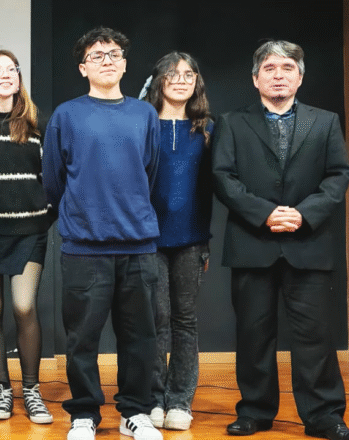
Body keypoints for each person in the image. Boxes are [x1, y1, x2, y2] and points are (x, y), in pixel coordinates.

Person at [212, 40, 349, 440]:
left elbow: (338, 175)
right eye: (269, 68)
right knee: (252, 335)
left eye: (287, 68)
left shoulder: (326, 121)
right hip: (252, 243)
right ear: (255, 78)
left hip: (308, 243)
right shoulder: (232, 122)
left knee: (316, 337)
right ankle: (255, 412)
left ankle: (324, 416)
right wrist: (265, 213)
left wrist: (304, 213)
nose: (278, 75)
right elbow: (223, 178)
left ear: (300, 76)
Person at [43, 26, 163, 440]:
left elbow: (151, 172)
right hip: (83, 246)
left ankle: (136, 412)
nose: (107, 60)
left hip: (138, 245)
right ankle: (84, 414)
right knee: (82, 339)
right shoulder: (66, 115)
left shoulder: (145, 114)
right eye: (97, 55)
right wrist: (83, 214)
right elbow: (54, 180)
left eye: (114, 54)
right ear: (82, 68)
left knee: (140, 337)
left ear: (125, 64)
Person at [0, 49, 54, 425]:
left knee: (22, 307)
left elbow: (55, 178)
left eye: (12, 69)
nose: (6, 74)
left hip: (29, 232)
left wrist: (44, 217)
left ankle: (31, 390)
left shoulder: (37, 123)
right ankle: (3, 390)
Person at [141, 52, 213, 431]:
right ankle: (153, 397)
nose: (182, 80)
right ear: (159, 81)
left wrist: (205, 241)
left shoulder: (207, 130)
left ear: (196, 83)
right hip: (149, 239)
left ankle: (180, 401)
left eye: (189, 74)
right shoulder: (142, 125)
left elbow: (213, 188)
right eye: (173, 73)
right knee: (155, 319)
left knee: (185, 320)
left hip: (191, 240)